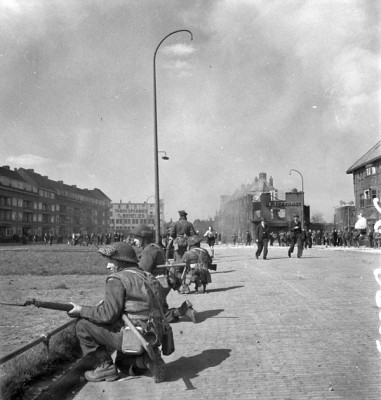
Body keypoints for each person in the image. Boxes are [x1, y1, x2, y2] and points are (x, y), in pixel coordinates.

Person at [68, 242, 169, 383]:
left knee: (82, 324)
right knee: (122, 364)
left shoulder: (117, 279)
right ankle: (147, 361)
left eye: (110, 261)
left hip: (134, 334)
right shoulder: (149, 277)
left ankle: (105, 367)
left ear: (121, 261)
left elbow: (107, 315)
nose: (108, 266)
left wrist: (81, 310)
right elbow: (164, 308)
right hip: (155, 335)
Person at [131, 224, 197, 323]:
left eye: (136, 238)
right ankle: (176, 313)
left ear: (144, 238)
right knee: (160, 309)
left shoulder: (148, 250)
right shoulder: (155, 246)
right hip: (163, 282)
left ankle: (183, 310)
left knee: (156, 316)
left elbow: (142, 270)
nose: (133, 241)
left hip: (157, 284)